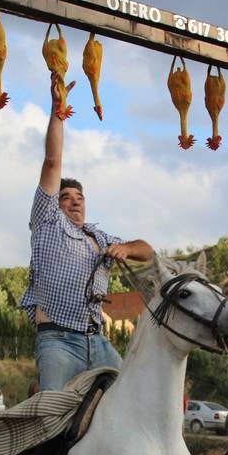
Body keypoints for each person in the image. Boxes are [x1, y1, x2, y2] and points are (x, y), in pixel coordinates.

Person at [20, 70, 153, 391]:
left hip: (99, 342)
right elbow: (52, 161)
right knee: (50, 416)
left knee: (132, 397)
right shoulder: (47, 221)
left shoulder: (99, 237)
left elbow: (147, 250)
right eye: (66, 198)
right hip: (58, 340)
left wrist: (127, 249)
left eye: (80, 198)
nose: (74, 202)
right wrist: (57, 112)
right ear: (55, 203)